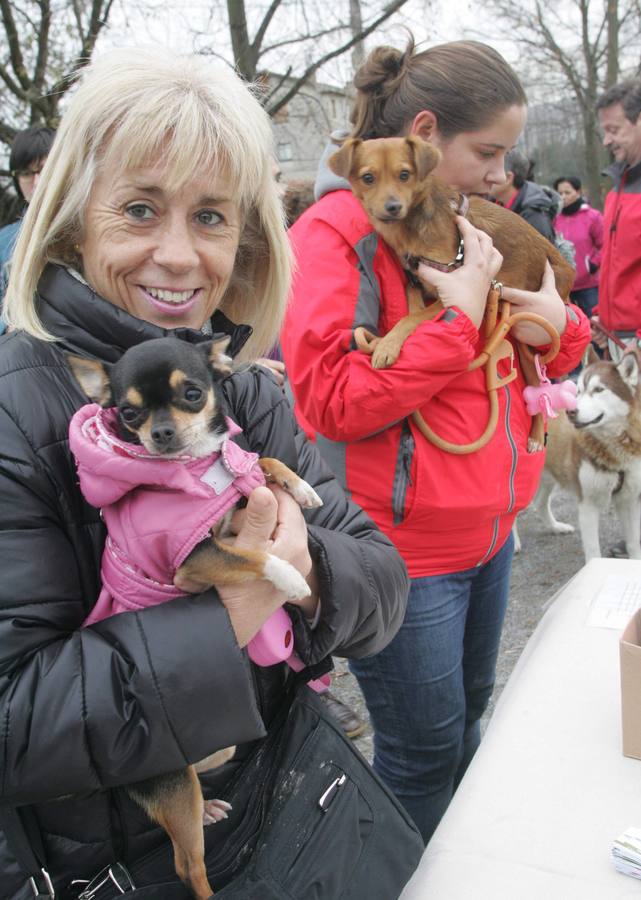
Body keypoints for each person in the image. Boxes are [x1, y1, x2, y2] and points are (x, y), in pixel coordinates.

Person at [0, 48, 411, 897]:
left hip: (296, 810)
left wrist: (312, 565)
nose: (180, 257)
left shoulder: (239, 388)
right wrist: (241, 599)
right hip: (119, 866)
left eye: (214, 217)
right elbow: (14, 725)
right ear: (74, 219)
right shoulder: (15, 409)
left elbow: (378, 580)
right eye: (141, 209)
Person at [280, 38, 591, 844]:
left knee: (466, 733)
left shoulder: (465, 225)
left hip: (492, 534)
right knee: (420, 756)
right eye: (485, 153)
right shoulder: (337, 235)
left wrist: (560, 327)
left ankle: (465, 866)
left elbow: (540, 345)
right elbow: (327, 402)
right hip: (404, 553)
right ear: (423, 135)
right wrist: (452, 322)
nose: (497, 173)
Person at [593, 78, 641, 361]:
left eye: (614, 130)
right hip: (619, 341)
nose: (606, 140)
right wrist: (603, 315)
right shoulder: (616, 189)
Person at [0, 126, 55, 312]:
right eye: (26, 173)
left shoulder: (91, 228)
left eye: (44, 170)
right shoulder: (5, 242)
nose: (37, 182)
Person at [553, 175, 603, 318]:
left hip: (589, 286)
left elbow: (605, 245)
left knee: (596, 329)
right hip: (564, 288)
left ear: (578, 192)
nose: (563, 197)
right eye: (560, 193)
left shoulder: (593, 216)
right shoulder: (554, 218)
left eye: (567, 193)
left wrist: (593, 264)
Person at [490, 147, 558, 242]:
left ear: (508, 178)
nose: (486, 177)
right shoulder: (492, 204)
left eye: (491, 172)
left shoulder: (535, 218)